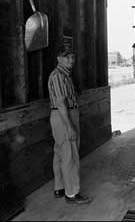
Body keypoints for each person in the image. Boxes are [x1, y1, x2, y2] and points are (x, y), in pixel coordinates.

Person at [47, 46, 92, 205]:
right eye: (67, 57)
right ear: (59, 59)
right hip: (64, 116)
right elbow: (60, 104)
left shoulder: (65, 75)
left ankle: (60, 187)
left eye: (72, 57)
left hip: (62, 115)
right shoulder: (59, 76)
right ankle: (72, 193)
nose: (71, 60)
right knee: (70, 155)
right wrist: (70, 126)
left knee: (60, 152)